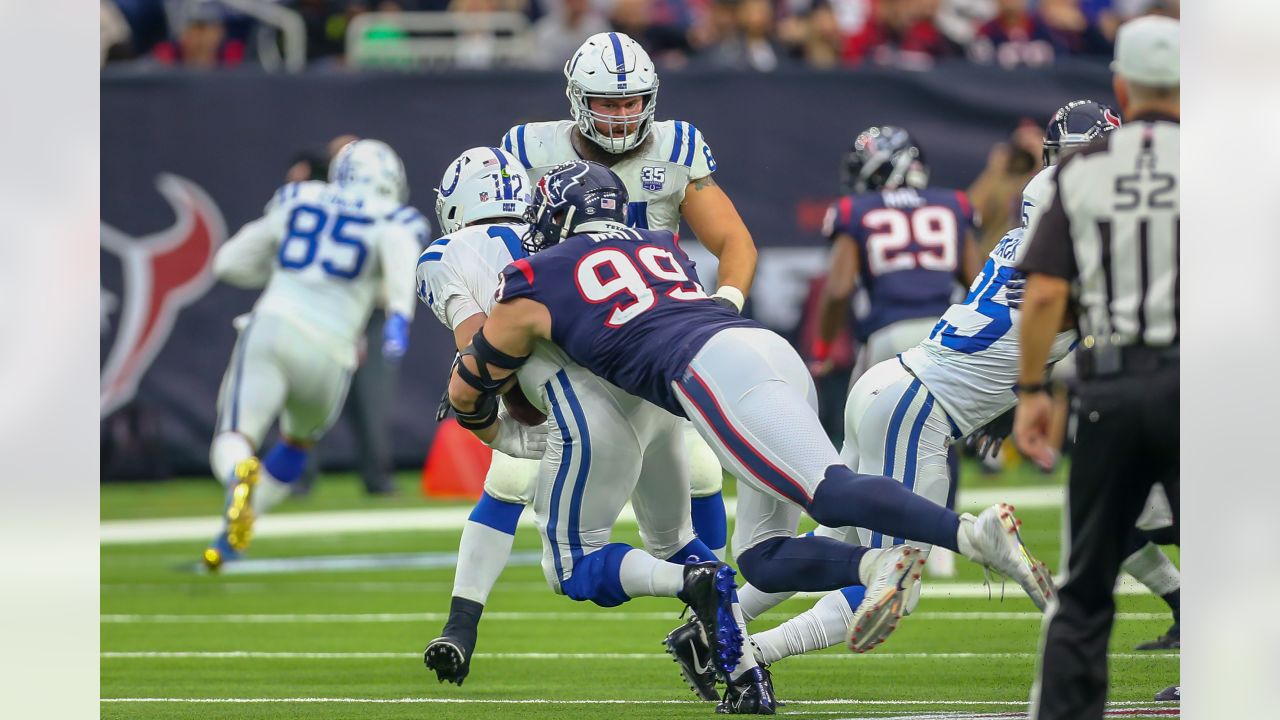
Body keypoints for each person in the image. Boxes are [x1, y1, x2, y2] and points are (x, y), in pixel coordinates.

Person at [448, 160, 1056, 711]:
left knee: (831, 492)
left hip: (711, 370)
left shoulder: (534, 275)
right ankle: (865, 572)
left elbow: (470, 382)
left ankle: (969, 536)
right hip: (760, 346)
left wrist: (494, 430)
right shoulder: (661, 246)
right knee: (761, 556)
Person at [427, 31, 757, 665]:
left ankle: (715, 627)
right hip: (566, 341)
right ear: (577, 100)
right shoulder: (527, 147)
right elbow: (503, 241)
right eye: (608, 103)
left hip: (652, 341)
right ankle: (460, 626)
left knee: (695, 476)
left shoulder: (677, 146)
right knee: (510, 476)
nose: (623, 116)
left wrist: (728, 305)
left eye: (634, 102)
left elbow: (734, 242)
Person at [1014, 16, 1180, 718]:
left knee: (1086, 582)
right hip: (1205, 383)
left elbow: (1047, 291)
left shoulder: (1077, 170)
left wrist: (1029, 392)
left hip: (1110, 381)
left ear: (1121, 84)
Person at [200, 139, 427, 569]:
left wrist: (290, 271)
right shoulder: (395, 219)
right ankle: (232, 538)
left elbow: (228, 264)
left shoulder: (299, 196)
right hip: (333, 352)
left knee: (235, 435)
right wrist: (399, 316)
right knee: (298, 441)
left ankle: (237, 473)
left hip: (275, 322)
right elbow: (400, 254)